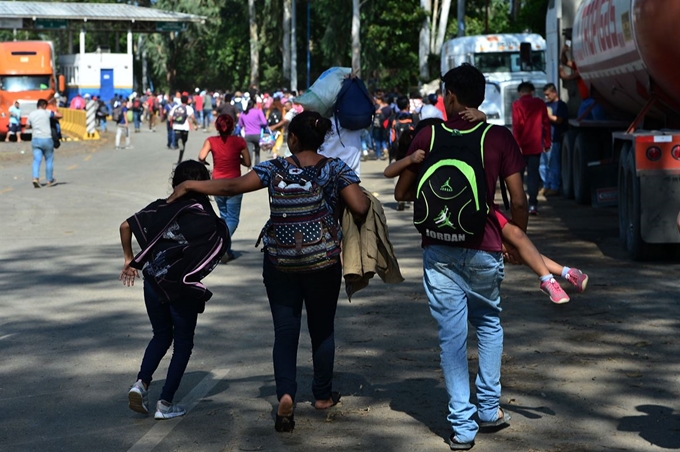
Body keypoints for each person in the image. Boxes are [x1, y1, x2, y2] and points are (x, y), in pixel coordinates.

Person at [168, 111, 370, 433]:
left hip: (280, 264)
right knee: (322, 331)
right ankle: (321, 396)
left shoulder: (274, 167)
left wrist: (191, 184)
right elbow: (359, 207)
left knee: (285, 333)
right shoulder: (334, 168)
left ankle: (286, 395)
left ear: (292, 139)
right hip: (323, 262)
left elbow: (231, 187)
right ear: (322, 139)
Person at [394, 63, 528, 450]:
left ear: (449, 96)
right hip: (485, 245)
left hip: (438, 248)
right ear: (482, 98)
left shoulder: (427, 133)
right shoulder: (498, 137)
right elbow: (518, 200)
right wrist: (514, 240)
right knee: (488, 324)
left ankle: (462, 428)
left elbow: (403, 194)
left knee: (451, 337)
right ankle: (488, 411)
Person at [120, 160, 228, 420]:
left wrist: (129, 259)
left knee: (160, 335)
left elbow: (126, 225)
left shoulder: (160, 207)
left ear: (174, 183)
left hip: (153, 283)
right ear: (206, 185)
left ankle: (141, 384)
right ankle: (165, 404)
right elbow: (219, 242)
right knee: (183, 343)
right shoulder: (205, 216)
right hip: (181, 288)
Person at [198, 114, 251, 261]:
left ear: (217, 126)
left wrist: (210, 163)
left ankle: (226, 250)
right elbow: (247, 162)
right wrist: (236, 158)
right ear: (232, 126)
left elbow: (201, 156)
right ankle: (220, 243)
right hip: (234, 185)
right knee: (233, 219)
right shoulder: (239, 142)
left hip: (217, 184)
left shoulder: (211, 141)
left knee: (225, 217)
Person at [512, 82, 551, 215]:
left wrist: (516, 145)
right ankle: (533, 204)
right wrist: (547, 142)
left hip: (521, 147)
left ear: (519, 93)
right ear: (532, 91)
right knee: (533, 175)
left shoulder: (517, 105)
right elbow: (546, 124)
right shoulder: (540, 103)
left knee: (518, 177)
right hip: (535, 146)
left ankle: (519, 204)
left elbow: (516, 126)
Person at [27, 99, 63, 188]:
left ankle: (35, 178)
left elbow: (27, 125)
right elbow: (60, 115)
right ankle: (49, 180)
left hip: (35, 139)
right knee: (49, 160)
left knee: (36, 160)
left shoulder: (31, 114)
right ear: (44, 106)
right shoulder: (47, 112)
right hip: (46, 139)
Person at [542, 83, 569, 196]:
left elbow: (559, 120)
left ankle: (554, 186)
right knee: (544, 165)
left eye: (548, 95)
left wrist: (547, 115)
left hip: (555, 139)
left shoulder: (561, 105)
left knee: (554, 164)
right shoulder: (546, 105)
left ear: (554, 92)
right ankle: (546, 185)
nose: (546, 97)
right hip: (546, 139)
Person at [169, 95, 199, 164]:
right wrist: (196, 124)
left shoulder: (175, 107)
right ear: (187, 101)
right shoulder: (188, 108)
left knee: (178, 139)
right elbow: (192, 117)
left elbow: (170, 116)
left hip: (176, 126)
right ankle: (180, 159)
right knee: (184, 142)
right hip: (185, 127)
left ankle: (178, 142)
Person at [238, 99, 268, 165]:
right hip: (257, 134)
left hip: (248, 135)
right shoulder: (258, 112)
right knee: (257, 153)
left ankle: (249, 167)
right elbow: (265, 122)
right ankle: (257, 167)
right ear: (254, 104)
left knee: (249, 152)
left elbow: (240, 125)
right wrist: (258, 123)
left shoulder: (243, 113)